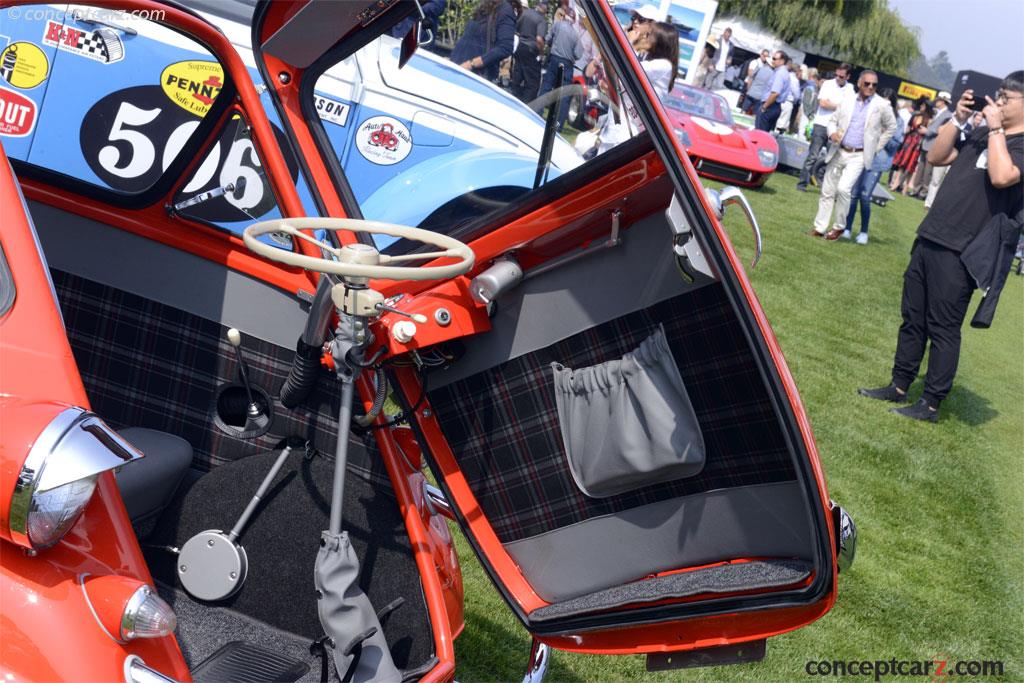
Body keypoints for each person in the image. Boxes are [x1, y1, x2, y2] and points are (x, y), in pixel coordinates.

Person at [858, 72, 1024, 422]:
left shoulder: (1018, 144)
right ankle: (899, 384)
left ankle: (931, 403)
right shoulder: (981, 132)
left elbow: (1002, 176)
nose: (999, 102)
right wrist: (958, 119)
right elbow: (935, 156)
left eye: (1007, 98)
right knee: (912, 317)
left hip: (963, 248)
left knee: (943, 327)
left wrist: (995, 130)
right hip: (933, 233)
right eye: (1000, 96)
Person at [807, 70, 896, 240]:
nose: (871, 87)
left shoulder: (881, 105)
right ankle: (820, 228)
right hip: (839, 150)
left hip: (859, 155)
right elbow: (832, 121)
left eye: (874, 85)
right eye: (867, 83)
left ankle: (839, 227)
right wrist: (832, 133)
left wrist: (876, 147)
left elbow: (891, 127)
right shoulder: (847, 100)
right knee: (827, 190)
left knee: (843, 189)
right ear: (859, 84)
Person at [594, 21, 677, 155]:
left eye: (650, 35)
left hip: (626, 133)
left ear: (661, 40)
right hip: (615, 128)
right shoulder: (647, 59)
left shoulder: (664, 65)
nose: (644, 36)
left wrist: (629, 43)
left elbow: (629, 68)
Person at [843, 87, 905, 244]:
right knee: (853, 194)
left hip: (878, 162)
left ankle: (863, 232)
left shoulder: (898, 121)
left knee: (865, 195)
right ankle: (847, 228)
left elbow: (895, 144)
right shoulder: (871, 113)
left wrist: (885, 132)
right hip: (861, 157)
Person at [797, 63, 853, 191]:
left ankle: (828, 187)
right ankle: (802, 184)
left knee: (833, 160)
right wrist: (839, 106)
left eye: (842, 76)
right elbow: (822, 103)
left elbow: (849, 109)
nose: (838, 78)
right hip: (821, 125)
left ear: (848, 77)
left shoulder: (850, 89)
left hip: (836, 129)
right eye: (837, 75)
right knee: (813, 156)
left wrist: (832, 104)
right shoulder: (828, 84)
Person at [535, 6, 580, 131]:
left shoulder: (557, 25)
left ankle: (537, 113)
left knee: (546, 86)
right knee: (564, 95)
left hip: (554, 59)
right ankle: (559, 124)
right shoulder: (575, 35)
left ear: (565, 15)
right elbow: (578, 54)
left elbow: (548, 39)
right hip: (567, 64)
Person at [451, 0, 517, 82]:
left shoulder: (505, 10)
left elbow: (505, 47)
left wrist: (471, 64)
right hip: (458, 68)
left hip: (474, 75)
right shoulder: (486, 6)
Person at [906, 91, 953, 197]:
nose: (936, 101)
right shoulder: (935, 112)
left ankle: (923, 192)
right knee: (920, 168)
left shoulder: (948, 115)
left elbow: (942, 130)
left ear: (943, 102)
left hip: (934, 145)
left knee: (928, 171)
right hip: (925, 143)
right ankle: (915, 189)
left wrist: (927, 131)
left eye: (938, 100)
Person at [889, 96, 932, 192]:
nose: (921, 107)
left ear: (926, 107)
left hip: (918, 143)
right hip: (909, 140)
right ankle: (896, 184)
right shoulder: (915, 115)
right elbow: (908, 128)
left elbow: (927, 132)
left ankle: (905, 187)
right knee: (902, 163)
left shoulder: (929, 120)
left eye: (923, 105)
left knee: (911, 165)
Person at [511, 0, 547, 103]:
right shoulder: (541, 20)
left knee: (517, 76)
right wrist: (541, 53)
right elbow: (539, 39)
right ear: (544, 9)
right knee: (532, 83)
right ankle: (527, 106)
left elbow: (516, 28)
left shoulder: (525, 13)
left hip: (520, 47)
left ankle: (513, 98)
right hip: (531, 51)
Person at [755, 51, 790, 132]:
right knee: (765, 134)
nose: (772, 61)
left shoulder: (780, 73)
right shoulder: (784, 73)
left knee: (759, 134)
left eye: (774, 59)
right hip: (775, 106)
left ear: (782, 61)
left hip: (770, 106)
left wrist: (764, 107)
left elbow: (775, 93)